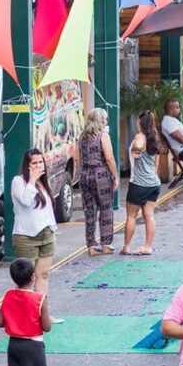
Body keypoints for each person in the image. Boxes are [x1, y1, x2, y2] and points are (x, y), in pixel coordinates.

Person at [11, 149, 59, 302]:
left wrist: (52, 228)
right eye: (34, 163)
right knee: (25, 279)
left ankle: (41, 312)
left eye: (40, 162)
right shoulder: (18, 182)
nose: (38, 166)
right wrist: (32, 180)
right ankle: (24, 314)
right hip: (26, 236)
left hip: (46, 234)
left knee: (43, 275)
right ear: (27, 165)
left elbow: (48, 209)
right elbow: (25, 201)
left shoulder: (44, 182)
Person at [75, 107, 118, 256]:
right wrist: (116, 175)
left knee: (89, 212)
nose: (106, 121)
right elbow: (109, 157)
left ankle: (91, 246)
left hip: (85, 174)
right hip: (101, 175)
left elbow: (77, 159)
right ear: (100, 120)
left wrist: (84, 173)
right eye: (104, 119)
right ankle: (106, 244)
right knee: (106, 209)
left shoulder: (81, 137)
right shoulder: (102, 136)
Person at [122, 109, 161, 256]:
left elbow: (138, 145)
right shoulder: (155, 138)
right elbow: (156, 164)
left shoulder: (140, 136)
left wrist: (136, 150)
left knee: (131, 216)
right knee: (149, 215)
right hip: (153, 183)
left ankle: (126, 246)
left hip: (139, 183)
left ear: (140, 122)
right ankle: (148, 246)